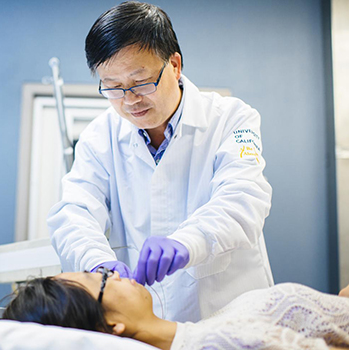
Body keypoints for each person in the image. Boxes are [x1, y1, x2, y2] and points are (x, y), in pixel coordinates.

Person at [47, 1, 273, 322]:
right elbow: (74, 212)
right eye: (113, 87)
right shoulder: (100, 137)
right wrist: (96, 261)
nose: (130, 100)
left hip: (230, 321)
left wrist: (186, 242)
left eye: (140, 81)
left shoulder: (232, 119)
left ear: (175, 65)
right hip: (146, 328)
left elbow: (243, 199)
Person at [3, 271, 349, 350]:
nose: (120, 273)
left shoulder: (201, 332)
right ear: (110, 326)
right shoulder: (219, 342)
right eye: (105, 278)